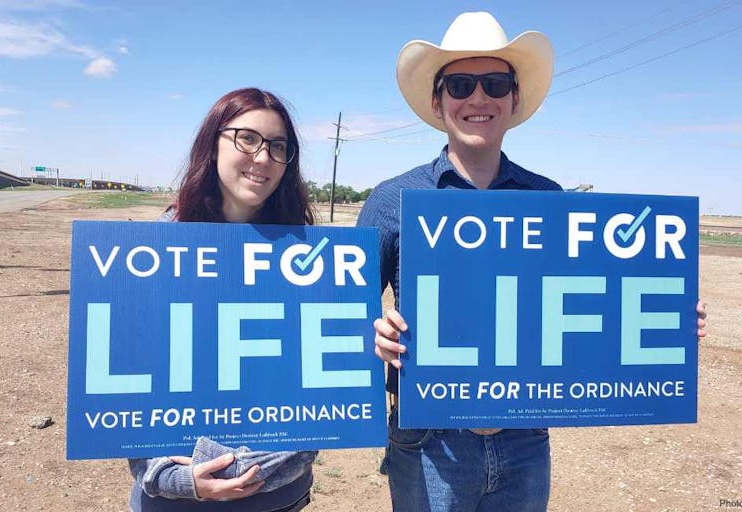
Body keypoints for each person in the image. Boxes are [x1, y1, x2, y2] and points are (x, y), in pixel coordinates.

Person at [357, 12, 708, 512]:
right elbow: (344, 317)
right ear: (438, 101)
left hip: (524, 437)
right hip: (430, 440)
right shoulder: (391, 199)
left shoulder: (549, 199)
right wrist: (376, 335)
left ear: (514, 99)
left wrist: (666, 320)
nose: (478, 98)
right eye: (460, 84)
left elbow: (593, 306)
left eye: (495, 83)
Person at [128, 87, 317, 512]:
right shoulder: (153, 250)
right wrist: (176, 478)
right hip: (172, 500)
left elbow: (317, 407)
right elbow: (129, 391)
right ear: (212, 143)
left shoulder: (308, 258)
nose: (263, 157)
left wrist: (244, 470)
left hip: (276, 500)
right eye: (247, 138)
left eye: (278, 147)